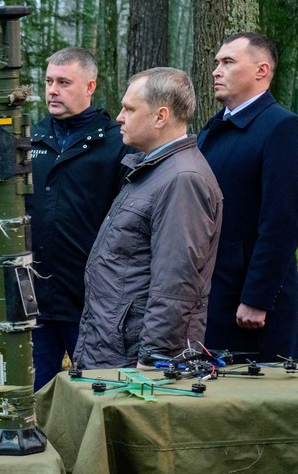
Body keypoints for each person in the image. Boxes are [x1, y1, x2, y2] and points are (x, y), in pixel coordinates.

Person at [73, 68, 223, 369]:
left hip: (134, 361)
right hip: (113, 349)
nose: (119, 117)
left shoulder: (182, 179)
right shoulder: (153, 170)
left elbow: (176, 282)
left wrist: (154, 358)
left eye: (129, 109)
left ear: (160, 116)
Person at [28, 47, 130, 390]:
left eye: (63, 82)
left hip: (91, 301)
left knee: (95, 391)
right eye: (48, 82)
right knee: (38, 395)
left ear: (89, 87)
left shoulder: (115, 143)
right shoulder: (31, 138)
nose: (52, 91)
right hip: (36, 300)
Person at [197, 32, 298, 360]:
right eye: (216, 62)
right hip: (211, 293)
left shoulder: (282, 128)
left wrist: (258, 298)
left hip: (251, 306)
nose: (216, 71)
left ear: (261, 70)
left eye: (228, 62)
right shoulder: (211, 130)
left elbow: (281, 221)